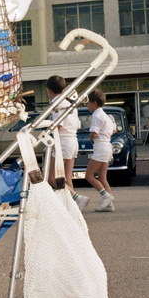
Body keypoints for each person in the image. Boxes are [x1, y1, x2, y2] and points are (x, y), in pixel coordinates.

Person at [45, 75, 89, 211]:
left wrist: (49, 140)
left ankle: (76, 197)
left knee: (51, 178)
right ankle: (72, 207)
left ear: (48, 90)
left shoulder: (57, 104)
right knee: (67, 178)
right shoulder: (69, 103)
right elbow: (76, 124)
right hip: (72, 140)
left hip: (62, 141)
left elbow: (58, 125)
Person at [86, 89, 116, 212]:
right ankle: (109, 204)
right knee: (102, 177)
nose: (87, 105)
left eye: (88, 102)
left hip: (100, 147)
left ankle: (106, 196)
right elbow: (114, 130)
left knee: (89, 175)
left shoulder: (96, 115)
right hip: (107, 146)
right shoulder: (106, 116)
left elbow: (94, 133)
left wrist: (91, 138)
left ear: (94, 103)